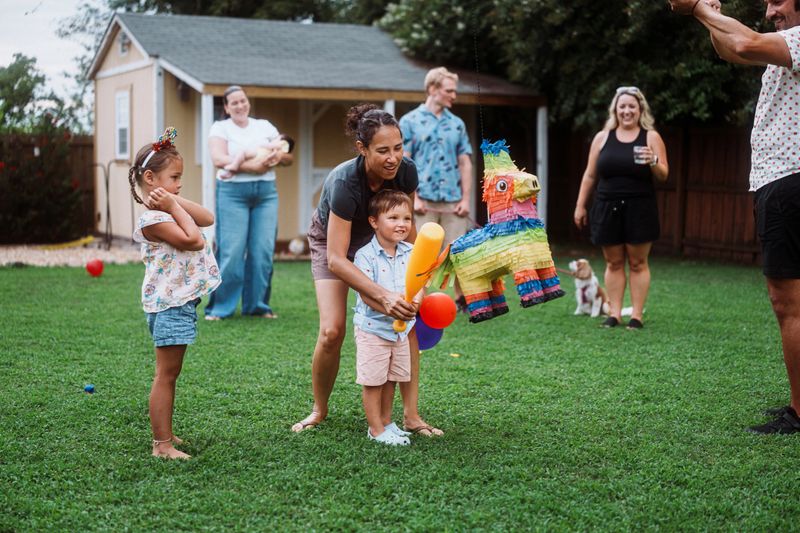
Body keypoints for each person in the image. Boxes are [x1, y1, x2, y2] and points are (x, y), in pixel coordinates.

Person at [670, 0, 800, 434]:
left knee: (789, 302)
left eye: (777, 1)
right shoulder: (786, 44)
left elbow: (743, 43)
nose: (769, 11)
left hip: (790, 178)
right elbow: (730, 50)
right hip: (781, 181)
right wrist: (706, 13)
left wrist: (694, 10)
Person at [292, 103, 443, 437]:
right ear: (362, 149)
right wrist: (383, 295)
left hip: (384, 234)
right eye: (383, 150)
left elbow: (407, 222)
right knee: (332, 330)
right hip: (334, 242)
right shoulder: (344, 183)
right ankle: (319, 409)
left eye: (399, 148)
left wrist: (420, 273)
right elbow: (336, 258)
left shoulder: (406, 172)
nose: (393, 158)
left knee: (409, 323)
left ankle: (412, 416)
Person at [128, 127, 221, 459]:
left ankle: (165, 434)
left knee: (169, 373)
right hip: (169, 304)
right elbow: (194, 239)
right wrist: (170, 205)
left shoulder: (166, 207)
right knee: (166, 374)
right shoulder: (152, 219)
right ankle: (161, 445)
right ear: (151, 178)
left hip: (178, 303)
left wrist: (172, 199)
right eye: (174, 177)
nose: (180, 183)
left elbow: (207, 218)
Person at [573, 86, 669, 330]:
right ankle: (614, 313)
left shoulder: (651, 137)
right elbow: (590, 175)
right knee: (613, 263)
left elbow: (664, 175)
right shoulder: (602, 138)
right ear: (615, 110)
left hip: (640, 207)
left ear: (640, 110)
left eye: (632, 107)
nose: (627, 111)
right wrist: (580, 206)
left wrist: (654, 161)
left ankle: (636, 316)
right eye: (622, 106)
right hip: (607, 206)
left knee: (638, 263)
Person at [204, 85, 292, 321]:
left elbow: (288, 154)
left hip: (266, 194)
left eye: (243, 101)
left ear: (248, 102)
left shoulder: (264, 126)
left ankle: (257, 306)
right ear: (226, 107)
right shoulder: (220, 128)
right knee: (231, 251)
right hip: (232, 193)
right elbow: (218, 158)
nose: (240, 106)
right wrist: (249, 166)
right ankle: (220, 308)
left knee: (262, 251)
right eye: (234, 103)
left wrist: (279, 156)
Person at [400, 67, 473, 310]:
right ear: (432, 89)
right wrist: (414, 197)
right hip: (423, 203)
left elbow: (465, 161)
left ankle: (462, 301)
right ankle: (417, 301)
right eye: (449, 90)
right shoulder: (409, 121)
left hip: (453, 202)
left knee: (459, 254)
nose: (454, 95)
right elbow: (404, 162)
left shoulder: (457, 125)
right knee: (422, 256)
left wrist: (466, 198)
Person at [354, 190, 422, 446]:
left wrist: (417, 302)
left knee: (392, 378)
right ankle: (375, 429)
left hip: (401, 331)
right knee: (374, 381)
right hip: (373, 330)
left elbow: (420, 283)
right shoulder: (365, 255)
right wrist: (390, 309)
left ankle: (386, 422)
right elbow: (366, 293)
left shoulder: (411, 252)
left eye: (407, 218)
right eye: (393, 217)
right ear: (374, 221)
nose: (402, 224)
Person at [220, 133, 295, 180]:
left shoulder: (278, 146)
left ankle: (234, 165)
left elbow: (265, 145)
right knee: (244, 160)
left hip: (258, 154)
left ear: (283, 142)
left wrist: (263, 144)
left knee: (242, 152)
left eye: (276, 138)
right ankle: (231, 173)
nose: (274, 140)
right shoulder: (278, 152)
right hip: (260, 160)